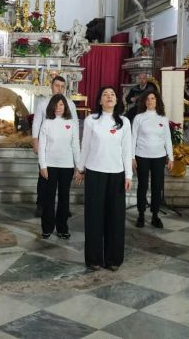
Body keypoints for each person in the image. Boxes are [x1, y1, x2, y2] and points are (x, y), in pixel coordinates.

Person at [78, 86, 133, 271]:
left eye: (112, 95)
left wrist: (128, 175)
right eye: (105, 95)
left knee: (115, 218)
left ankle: (113, 259)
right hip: (94, 172)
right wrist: (80, 168)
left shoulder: (124, 122)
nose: (109, 97)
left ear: (117, 100)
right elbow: (85, 146)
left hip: (116, 174)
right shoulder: (91, 121)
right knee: (94, 217)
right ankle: (93, 258)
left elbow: (127, 151)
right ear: (100, 101)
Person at [32, 76, 77, 217]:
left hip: (64, 150)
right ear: (51, 86)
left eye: (63, 86)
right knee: (43, 179)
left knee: (64, 186)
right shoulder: (43, 103)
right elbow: (36, 123)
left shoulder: (70, 104)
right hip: (47, 147)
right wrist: (35, 141)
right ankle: (41, 204)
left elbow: (74, 124)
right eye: (57, 85)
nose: (60, 88)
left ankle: (64, 208)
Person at [37, 93, 81, 240]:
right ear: (51, 107)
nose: (58, 107)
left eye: (61, 104)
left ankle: (62, 227)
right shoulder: (47, 123)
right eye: (55, 105)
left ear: (65, 106)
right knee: (48, 198)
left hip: (66, 166)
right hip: (49, 165)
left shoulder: (72, 124)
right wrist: (43, 166)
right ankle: (47, 228)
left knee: (64, 197)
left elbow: (75, 146)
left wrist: (79, 167)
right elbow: (42, 146)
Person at [131, 90, 174, 229]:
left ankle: (155, 215)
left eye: (153, 98)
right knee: (142, 186)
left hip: (159, 157)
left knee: (157, 187)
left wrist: (171, 157)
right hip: (141, 155)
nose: (150, 101)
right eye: (148, 99)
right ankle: (141, 215)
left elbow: (168, 139)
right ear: (144, 101)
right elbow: (133, 139)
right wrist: (131, 157)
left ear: (157, 101)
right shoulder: (139, 118)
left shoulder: (163, 118)